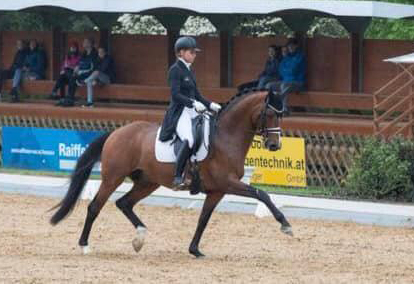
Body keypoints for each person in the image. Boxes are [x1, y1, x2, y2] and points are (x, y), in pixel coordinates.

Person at [159, 36, 222, 189]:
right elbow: (176, 94)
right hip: (180, 112)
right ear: (181, 53)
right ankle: (178, 177)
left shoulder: (189, 70)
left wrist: (211, 104)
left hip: (193, 110)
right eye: (191, 52)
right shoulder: (175, 70)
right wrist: (193, 103)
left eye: (195, 52)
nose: (194, 55)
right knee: (189, 139)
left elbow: (197, 95)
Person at [58, 38, 98, 107]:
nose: (83, 43)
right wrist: (77, 68)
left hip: (89, 74)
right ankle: (67, 98)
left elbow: (92, 68)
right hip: (80, 73)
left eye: (85, 42)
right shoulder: (84, 53)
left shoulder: (94, 54)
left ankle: (70, 99)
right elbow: (80, 64)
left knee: (73, 78)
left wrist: (80, 72)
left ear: (90, 44)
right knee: (68, 76)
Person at [276, 38, 306, 113]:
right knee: (269, 85)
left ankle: (284, 109)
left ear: (296, 46)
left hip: (298, 83)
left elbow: (293, 70)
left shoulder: (300, 56)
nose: (290, 48)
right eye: (289, 46)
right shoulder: (286, 57)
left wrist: (286, 70)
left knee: (284, 86)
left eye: (292, 46)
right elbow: (281, 70)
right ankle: (268, 106)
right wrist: (287, 70)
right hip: (286, 81)